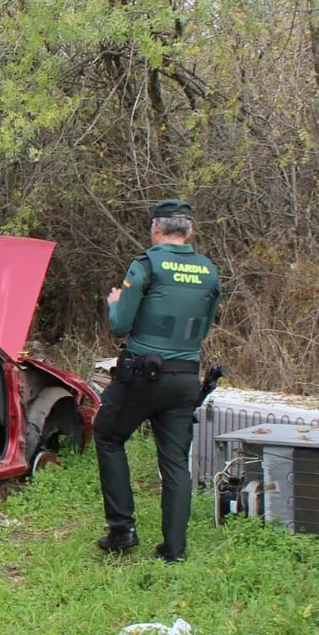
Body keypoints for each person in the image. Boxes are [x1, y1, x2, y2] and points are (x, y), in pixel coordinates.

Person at [94, 200, 222, 563]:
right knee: (175, 462)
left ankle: (122, 530)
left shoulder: (146, 265)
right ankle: (174, 550)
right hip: (185, 377)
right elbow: (205, 326)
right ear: (190, 230)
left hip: (141, 375)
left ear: (155, 228)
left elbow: (120, 325)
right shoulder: (209, 271)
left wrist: (115, 302)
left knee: (107, 433)